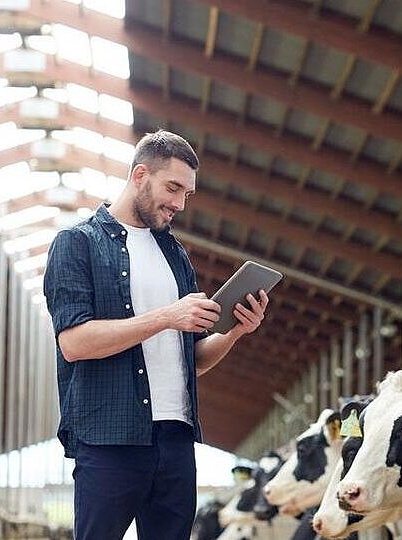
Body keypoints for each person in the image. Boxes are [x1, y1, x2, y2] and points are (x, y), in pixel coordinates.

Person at [43, 130, 271, 539]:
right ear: (139, 175)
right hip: (110, 438)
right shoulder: (77, 244)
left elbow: (193, 361)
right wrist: (167, 316)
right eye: (173, 187)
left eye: (187, 193)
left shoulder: (175, 254)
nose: (179, 203)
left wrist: (236, 331)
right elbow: (74, 343)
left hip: (176, 439)